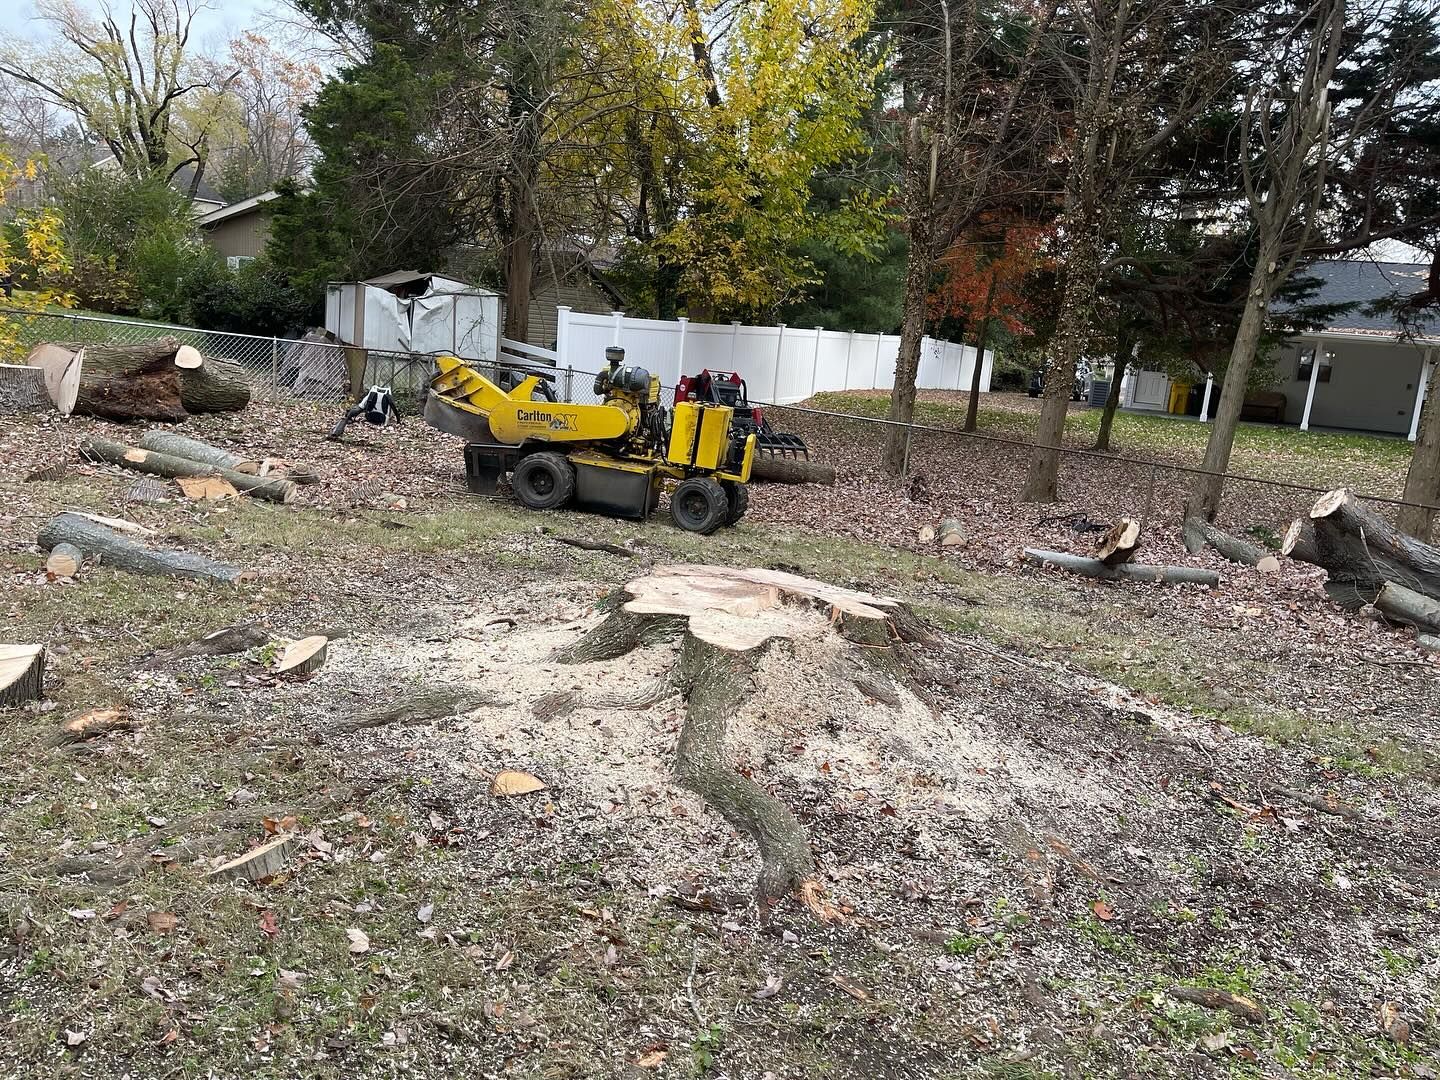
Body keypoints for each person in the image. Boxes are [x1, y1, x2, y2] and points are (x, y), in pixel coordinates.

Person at [326, 385, 400, 440]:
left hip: (370, 417)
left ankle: (337, 430)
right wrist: (398, 421)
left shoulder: (372, 394)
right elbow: (393, 412)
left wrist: (349, 415)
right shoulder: (388, 396)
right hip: (383, 420)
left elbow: (360, 407)